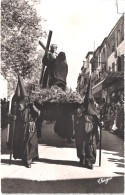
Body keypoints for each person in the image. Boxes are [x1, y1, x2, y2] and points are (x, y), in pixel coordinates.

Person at [74, 105, 101, 169]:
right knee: (81, 145)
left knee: (90, 145)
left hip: (91, 130)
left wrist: (100, 123)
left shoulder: (94, 108)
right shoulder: (81, 108)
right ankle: (82, 159)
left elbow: (98, 119)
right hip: (81, 130)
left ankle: (89, 161)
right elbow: (76, 117)